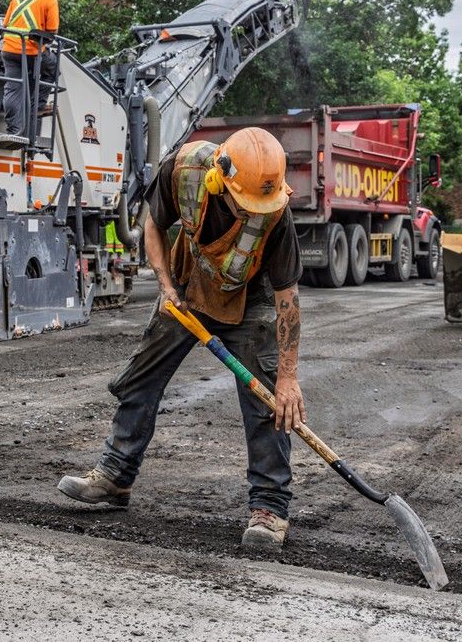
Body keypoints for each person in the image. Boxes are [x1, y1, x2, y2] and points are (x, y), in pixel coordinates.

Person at [58, 127, 306, 547]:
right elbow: (153, 226)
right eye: (246, 203)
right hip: (188, 289)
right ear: (219, 178)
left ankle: (270, 509)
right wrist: (165, 286)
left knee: (267, 402)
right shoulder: (182, 169)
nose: (255, 212)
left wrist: (288, 377)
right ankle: (115, 476)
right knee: (141, 377)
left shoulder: (276, 211)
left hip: (249, 301)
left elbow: (287, 297)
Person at [1, 0, 60, 137]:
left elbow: (5, 24)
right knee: (53, 68)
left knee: (13, 88)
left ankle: (15, 130)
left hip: (9, 50)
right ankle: (36, 108)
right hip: (31, 51)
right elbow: (52, 31)